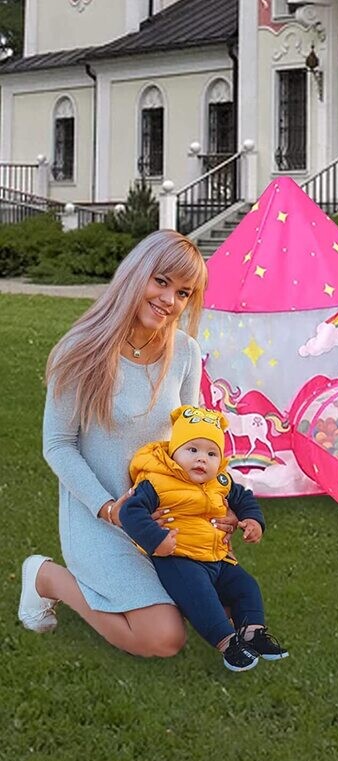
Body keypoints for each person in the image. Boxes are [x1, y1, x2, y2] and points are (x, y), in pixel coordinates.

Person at [18, 229, 238, 657]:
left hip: (162, 515)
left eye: (182, 292)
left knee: (228, 610)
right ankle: (46, 576)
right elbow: (58, 445)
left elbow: (189, 441)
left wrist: (215, 499)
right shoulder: (81, 350)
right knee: (163, 637)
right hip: (98, 517)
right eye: (161, 281)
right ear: (137, 274)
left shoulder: (186, 352)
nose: (169, 299)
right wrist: (108, 507)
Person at [120, 404, 288, 672]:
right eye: (192, 450)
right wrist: (156, 540)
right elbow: (131, 511)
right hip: (179, 556)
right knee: (200, 595)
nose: (201, 459)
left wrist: (253, 520)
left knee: (246, 586)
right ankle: (227, 643)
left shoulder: (219, 481)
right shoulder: (158, 481)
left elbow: (243, 497)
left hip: (217, 557)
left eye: (211, 453)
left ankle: (252, 634)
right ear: (174, 452)